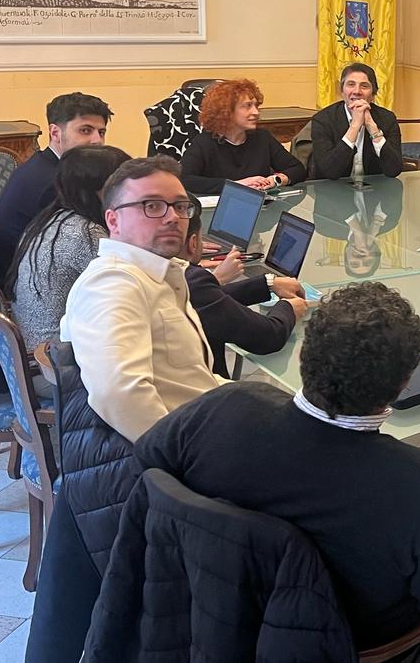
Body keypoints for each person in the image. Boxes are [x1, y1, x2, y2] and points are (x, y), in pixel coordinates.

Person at [134, 281, 420, 662]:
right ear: (404, 383)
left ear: (302, 355)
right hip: (359, 648)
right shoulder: (418, 484)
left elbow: (148, 465)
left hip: (209, 615)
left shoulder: (224, 406)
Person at [59, 156, 226, 442]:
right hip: (182, 448)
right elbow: (118, 393)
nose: (173, 217)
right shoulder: (113, 283)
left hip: (201, 421)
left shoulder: (156, 274)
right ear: (113, 220)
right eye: (152, 206)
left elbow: (189, 381)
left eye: (180, 206)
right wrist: (181, 455)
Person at [7, 145, 132, 354]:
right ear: (98, 191)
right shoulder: (85, 233)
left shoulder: (53, 218)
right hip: (54, 358)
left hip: (36, 345)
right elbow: (127, 291)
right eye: (122, 186)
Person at [179, 195, 312, 377]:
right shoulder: (190, 279)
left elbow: (207, 299)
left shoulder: (155, 270)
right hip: (204, 388)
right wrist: (288, 307)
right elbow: (267, 337)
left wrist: (268, 283)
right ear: (193, 243)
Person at [0, 92, 113, 275]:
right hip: (27, 282)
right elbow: (85, 241)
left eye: (101, 132)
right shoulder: (51, 183)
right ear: (55, 133)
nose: (97, 140)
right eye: (85, 130)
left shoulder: (42, 164)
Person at [180, 79, 307, 195]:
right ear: (226, 112)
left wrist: (274, 180)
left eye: (256, 106)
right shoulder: (204, 142)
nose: (256, 112)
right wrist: (237, 185)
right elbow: (184, 179)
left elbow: (297, 169)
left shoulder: (262, 137)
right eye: (247, 106)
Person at [306, 63, 404, 180]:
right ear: (342, 91)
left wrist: (372, 128)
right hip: (332, 188)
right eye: (351, 84)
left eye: (364, 86)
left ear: (373, 94)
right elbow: (329, 172)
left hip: (373, 189)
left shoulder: (387, 119)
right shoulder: (323, 120)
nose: (357, 91)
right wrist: (354, 126)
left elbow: (394, 170)